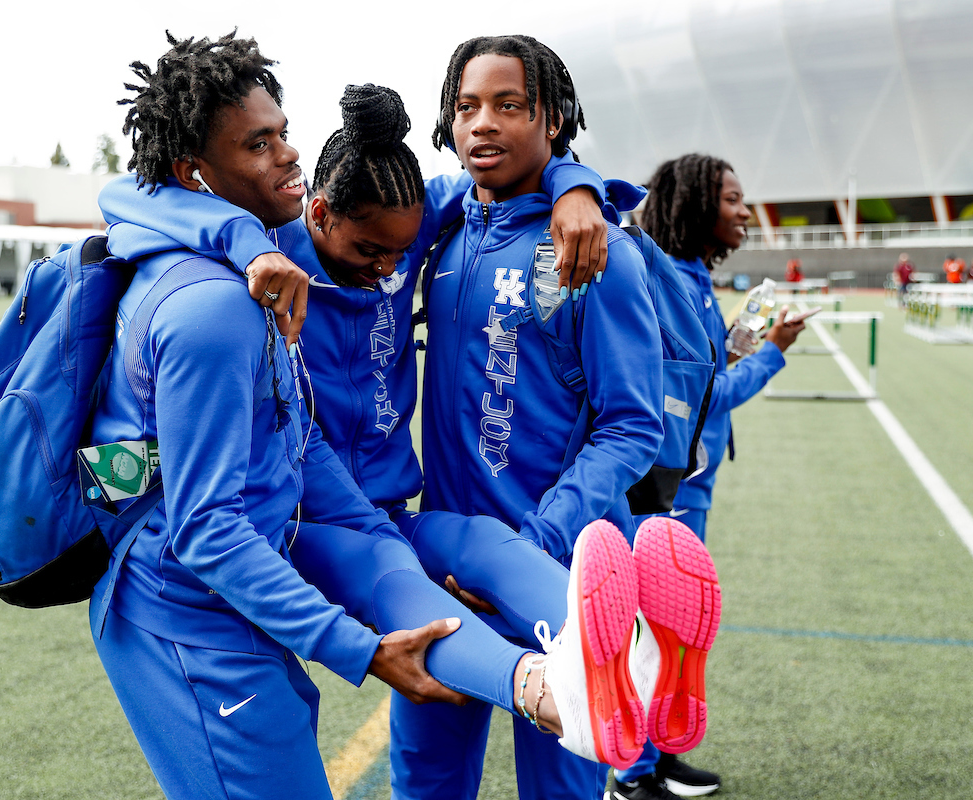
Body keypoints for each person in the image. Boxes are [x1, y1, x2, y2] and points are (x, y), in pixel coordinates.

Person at [89, 32, 642, 800]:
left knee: (457, 549)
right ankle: (567, 679)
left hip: (372, 509)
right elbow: (128, 194)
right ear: (318, 215)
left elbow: (495, 186)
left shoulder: (411, 220)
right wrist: (246, 242)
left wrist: (578, 184)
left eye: (283, 134)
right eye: (261, 141)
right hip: (265, 533)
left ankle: (603, 666)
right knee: (388, 603)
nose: (390, 267)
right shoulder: (254, 271)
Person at [409, 34, 707, 800]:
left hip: (560, 574)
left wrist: (535, 539)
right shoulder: (438, 231)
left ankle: (644, 666)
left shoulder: (593, 250)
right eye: (468, 105)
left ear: (554, 119)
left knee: (563, 787)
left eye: (511, 105)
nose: (484, 124)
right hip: (440, 569)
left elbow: (633, 424)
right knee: (427, 783)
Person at [604, 154, 809, 800]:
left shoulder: (689, 274)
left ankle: (659, 755)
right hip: (659, 487)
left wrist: (746, 339)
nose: (744, 210)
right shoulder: (660, 279)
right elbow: (703, 393)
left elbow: (705, 370)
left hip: (690, 484)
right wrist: (773, 353)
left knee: (677, 625)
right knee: (648, 629)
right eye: (732, 198)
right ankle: (628, 774)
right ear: (695, 204)